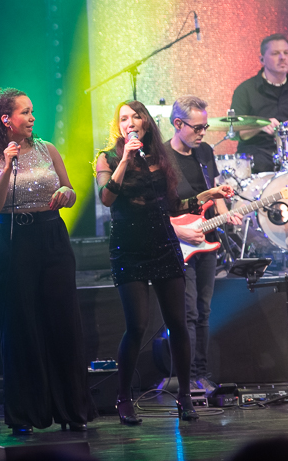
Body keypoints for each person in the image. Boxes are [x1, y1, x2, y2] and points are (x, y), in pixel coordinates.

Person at [94, 101, 235, 424]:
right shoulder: (108, 157)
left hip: (164, 245)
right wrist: (125, 159)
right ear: (118, 125)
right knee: (137, 326)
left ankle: (185, 396)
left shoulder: (159, 156)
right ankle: (123, 398)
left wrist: (208, 194)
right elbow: (107, 197)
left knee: (178, 323)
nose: (131, 122)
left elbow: (173, 205)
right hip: (129, 249)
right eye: (124, 118)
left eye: (136, 116)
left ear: (146, 122)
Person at [0, 86, 94, 434]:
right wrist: (8, 165)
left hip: (52, 237)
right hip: (13, 240)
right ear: (5, 119)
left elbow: (69, 191)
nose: (32, 118)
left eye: (32, 111)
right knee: (21, 326)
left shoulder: (47, 149)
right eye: (25, 112)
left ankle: (72, 410)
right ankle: (25, 414)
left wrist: (66, 193)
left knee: (63, 321)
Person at [165, 96, 242, 393]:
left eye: (205, 127)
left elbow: (216, 193)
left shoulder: (205, 151)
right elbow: (156, 205)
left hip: (207, 239)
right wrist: (178, 232)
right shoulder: (162, 156)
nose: (202, 133)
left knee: (204, 310)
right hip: (179, 242)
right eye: (197, 127)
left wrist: (226, 215)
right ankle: (186, 378)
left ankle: (201, 373)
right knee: (188, 313)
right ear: (178, 124)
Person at [231, 33, 288, 172]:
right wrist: (260, 126)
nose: (282, 57)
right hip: (257, 152)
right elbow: (237, 133)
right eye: (275, 53)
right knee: (261, 164)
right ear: (262, 59)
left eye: (286, 52)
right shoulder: (245, 90)